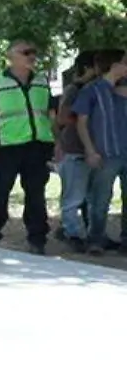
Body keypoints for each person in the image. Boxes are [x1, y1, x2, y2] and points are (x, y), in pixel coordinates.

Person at [0, 39, 56, 254]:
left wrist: (56, 141)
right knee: (0, 193)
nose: (32, 56)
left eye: (34, 52)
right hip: (6, 147)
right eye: (26, 52)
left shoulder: (41, 81)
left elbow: (50, 113)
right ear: (11, 56)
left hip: (37, 147)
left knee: (36, 195)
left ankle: (37, 240)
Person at [71, 51, 127, 254]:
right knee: (100, 199)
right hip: (105, 153)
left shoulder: (122, 90)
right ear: (113, 66)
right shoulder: (92, 90)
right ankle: (96, 239)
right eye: (123, 63)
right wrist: (90, 150)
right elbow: (81, 123)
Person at [54, 52, 99, 249]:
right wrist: (85, 117)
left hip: (91, 150)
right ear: (88, 68)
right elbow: (62, 118)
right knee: (73, 196)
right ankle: (71, 233)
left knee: (91, 196)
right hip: (74, 148)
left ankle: (87, 233)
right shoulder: (75, 89)